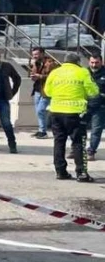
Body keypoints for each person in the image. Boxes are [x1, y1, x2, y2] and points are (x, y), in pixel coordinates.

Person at [44, 54, 99, 182]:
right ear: (78, 62)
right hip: (75, 112)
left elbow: (47, 91)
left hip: (56, 111)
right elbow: (93, 91)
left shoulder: (55, 72)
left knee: (59, 142)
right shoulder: (82, 72)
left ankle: (60, 171)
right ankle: (81, 173)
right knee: (79, 142)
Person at [28, 46, 55, 138]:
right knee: (38, 111)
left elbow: (53, 77)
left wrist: (40, 76)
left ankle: (43, 131)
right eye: (33, 55)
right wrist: (33, 75)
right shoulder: (36, 63)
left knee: (41, 110)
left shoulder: (50, 63)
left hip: (46, 90)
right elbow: (33, 73)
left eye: (36, 54)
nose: (34, 56)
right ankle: (41, 130)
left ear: (42, 54)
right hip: (37, 89)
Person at [85, 54, 105, 161]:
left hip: (100, 107)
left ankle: (91, 151)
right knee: (78, 129)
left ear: (101, 62)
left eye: (96, 62)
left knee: (96, 130)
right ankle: (76, 150)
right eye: (92, 62)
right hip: (85, 105)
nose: (94, 65)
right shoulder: (84, 73)